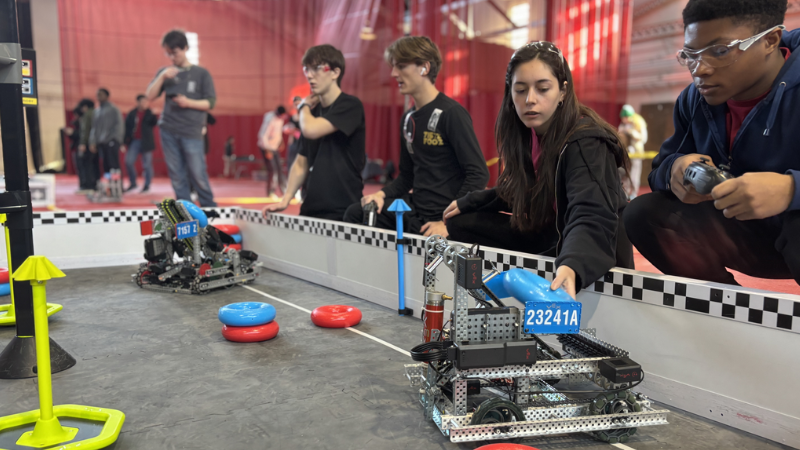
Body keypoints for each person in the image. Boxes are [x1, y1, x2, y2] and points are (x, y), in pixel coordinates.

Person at [624, 0, 800, 286]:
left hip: (793, 236)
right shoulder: (694, 100)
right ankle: (725, 306)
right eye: (690, 55)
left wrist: (790, 190)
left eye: (720, 51)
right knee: (643, 214)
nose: (700, 69)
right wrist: (675, 170)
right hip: (744, 235)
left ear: (770, 40)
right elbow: (660, 169)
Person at [444, 41, 633, 299]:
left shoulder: (586, 141)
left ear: (563, 91)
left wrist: (573, 264)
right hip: (555, 234)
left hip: (591, 248)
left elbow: (591, 212)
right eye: (520, 90)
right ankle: (503, 285)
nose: (530, 99)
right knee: (461, 223)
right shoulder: (530, 133)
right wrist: (471, 201)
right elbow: (526, 188)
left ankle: (537, 276)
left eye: (543, 89)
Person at [342, 36, 489, 236]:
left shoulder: (451, 113)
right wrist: (380, 194)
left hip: (442, 217)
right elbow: (406, 177)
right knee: (356, 213)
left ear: (424, 68)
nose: (394, 73)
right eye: (393, 66)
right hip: (415, 211)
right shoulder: (407, 118)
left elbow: (478, 174)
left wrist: (448, 222)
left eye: (401, 66)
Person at [263, 44, 366, 220]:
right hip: (311, 207)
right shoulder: (311, 114)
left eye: (316, 69)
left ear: (335, 72)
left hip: (344, 209)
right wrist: (285, 199)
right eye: (306, 69)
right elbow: (301, 162)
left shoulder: (350, 105)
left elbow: (311, 130)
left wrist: (303, 106)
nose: (309, 75)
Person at [146, 29, 217, 207]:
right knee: (176, 175)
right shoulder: (166, 72)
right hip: (168, 130)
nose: (172, 57)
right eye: (168, 53)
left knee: (198, 173)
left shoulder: (201, 73)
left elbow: (210, 103)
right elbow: (150, 96)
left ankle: (210, 208)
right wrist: (162, 77)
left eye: (175, 53)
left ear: (185, 48)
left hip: (192, 131)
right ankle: (186, 210)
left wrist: (188, 102)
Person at [123, 94, 158, 193]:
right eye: (142, 102)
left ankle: (147, 185)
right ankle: (133, 182)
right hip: (134, 141)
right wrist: (124, 142)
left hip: (146, 142)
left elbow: (154, 123)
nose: (144, 104)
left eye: (146, 102)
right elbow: (127, 127)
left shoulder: (150, 113)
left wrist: (154, 115)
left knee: (147, 165)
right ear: (138, 102)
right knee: (128, 161)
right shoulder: (132, 113)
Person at [88, 88, 124, 181]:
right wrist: (92, 141)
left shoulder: (113, 109)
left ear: (107, 96)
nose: (98, 97)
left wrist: (115, 139)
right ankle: (109, 184)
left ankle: (116, 184)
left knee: (113, 164)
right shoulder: (97, 111)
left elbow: (119, 125)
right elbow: (94, 128)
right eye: (97, 95)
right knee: (105, 165)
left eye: (101, 94)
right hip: (101, 142)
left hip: (112, 141)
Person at [618, 104, 648, 200]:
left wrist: (632, 132)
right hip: (627, 153)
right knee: (626, 174)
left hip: (636, 152)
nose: (625, 120)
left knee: (634, 174)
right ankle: (625, 192)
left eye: (626, 117)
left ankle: (633, 193)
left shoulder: (639, 122)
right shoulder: (623, 124)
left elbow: (643, 138)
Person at [258, 105, 288, 198]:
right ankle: (271, 192)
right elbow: (262, 135)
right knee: (273, 170)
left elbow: (278, 132)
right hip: (266, 147)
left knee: (279, 169)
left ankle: (284, 191)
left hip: (274, 147)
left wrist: (281, 142)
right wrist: (267, 150)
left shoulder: (281, 119)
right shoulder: (270, 120)